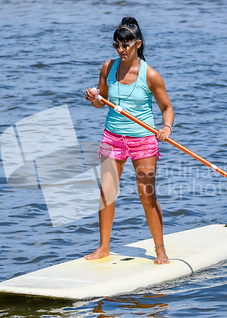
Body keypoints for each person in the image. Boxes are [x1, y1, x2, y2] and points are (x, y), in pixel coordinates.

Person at [84, 17, 174, 265]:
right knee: (106, 193)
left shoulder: (151, 75)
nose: (120, 50)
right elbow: (100, 102)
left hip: (143, 140)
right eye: (116, 45)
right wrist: (93, 96)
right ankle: (103, 247)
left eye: (125, 45)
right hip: (112, 137)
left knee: (147, 194)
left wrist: (166, 127)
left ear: (138, 44)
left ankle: (160, 250)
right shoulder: (108, 68)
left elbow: (167, 108)